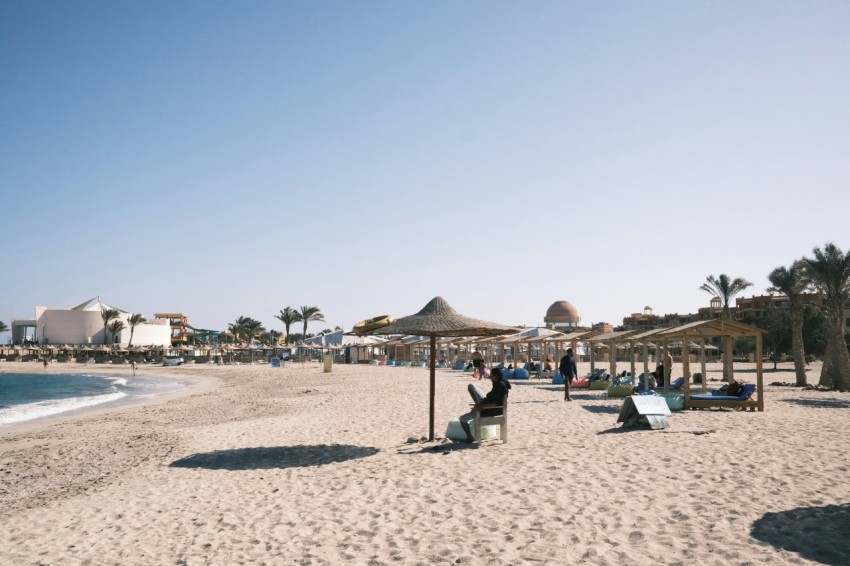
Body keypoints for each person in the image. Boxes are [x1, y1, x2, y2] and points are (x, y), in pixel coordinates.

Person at [458, 367, 511, 443]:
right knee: (471, 386)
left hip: (490, 410)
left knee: (462, 419)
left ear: (496, 376)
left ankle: (470, 438)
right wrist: (481, 404)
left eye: (492, 375)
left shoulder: (500, 386)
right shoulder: (500, 382)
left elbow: (497, 404)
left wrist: (481, 406)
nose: (491, 376)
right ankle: (478, 405)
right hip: (487, 403)